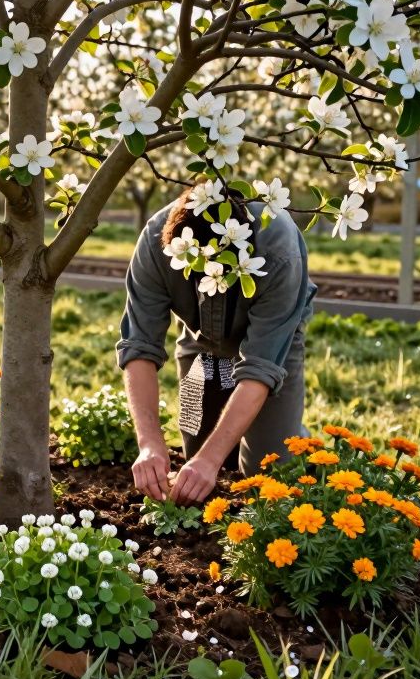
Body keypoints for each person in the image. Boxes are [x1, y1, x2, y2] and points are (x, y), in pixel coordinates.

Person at [115, 186, 316, 505]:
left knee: (269, 474)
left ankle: (301, 443)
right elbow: (139, 345)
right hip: (201, 340)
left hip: (273, 343)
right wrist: (150, 444)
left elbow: (260, 368)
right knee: (196, 453)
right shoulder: (155, 242)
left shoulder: (279, 251)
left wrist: (209, 461)